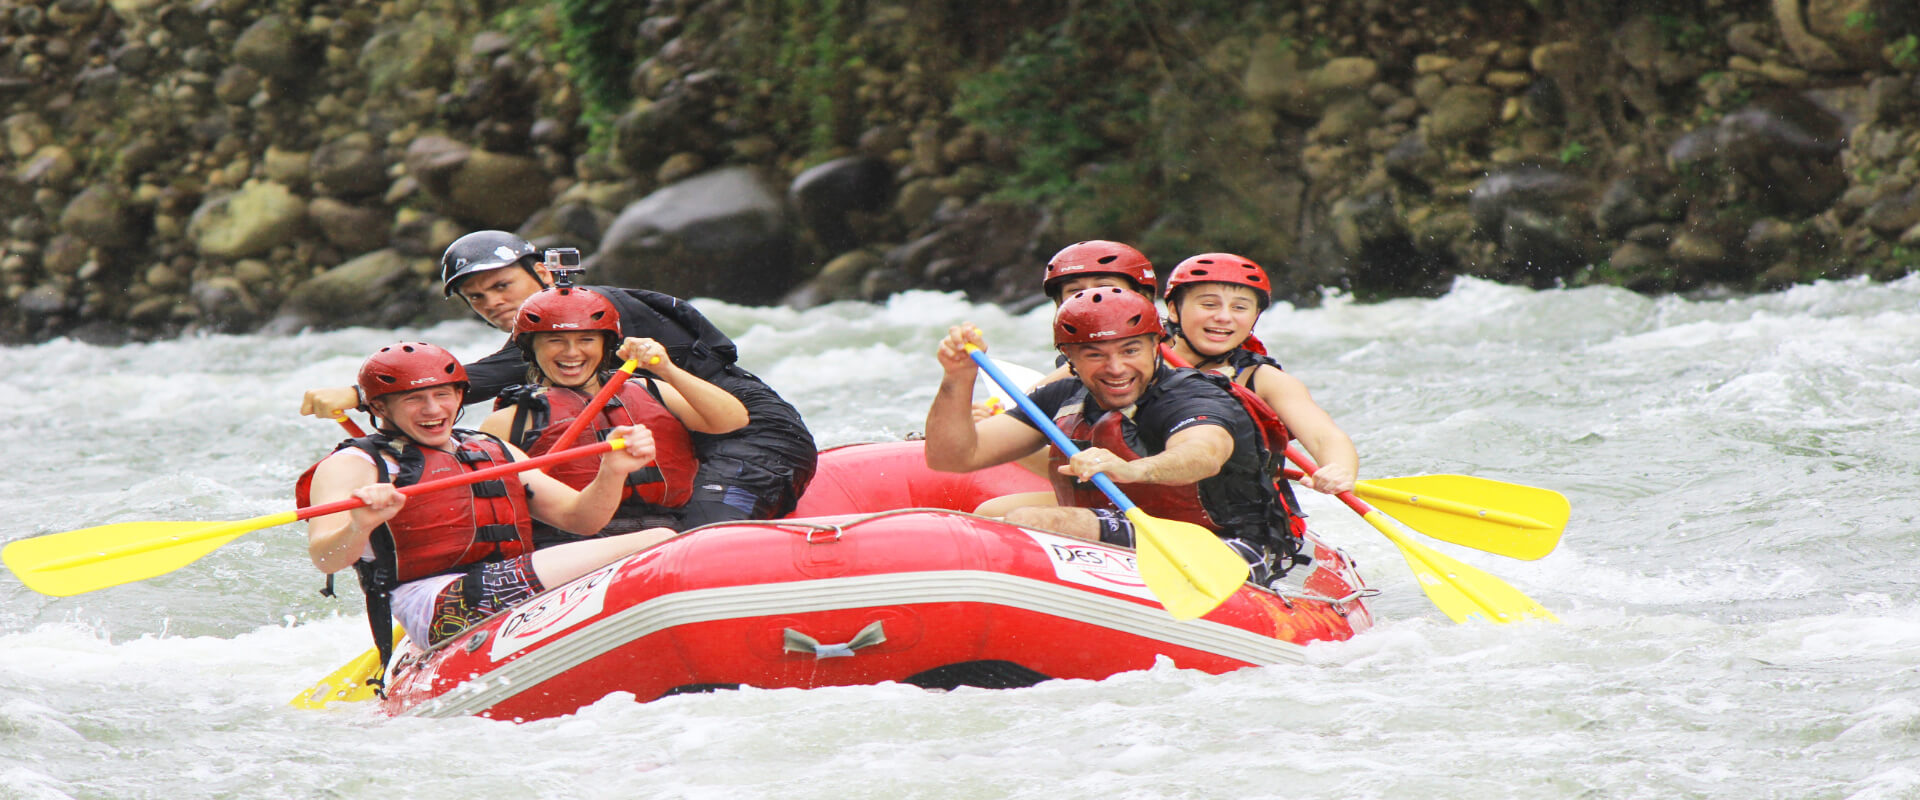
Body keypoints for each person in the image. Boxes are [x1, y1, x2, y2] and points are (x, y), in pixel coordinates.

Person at [301, 230, 817, 527]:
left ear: (544, 275)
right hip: (683, 435)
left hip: (753, 435)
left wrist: (362, 393)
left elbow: (491, 373)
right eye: (476, 297)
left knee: (699, 534)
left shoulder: (589, 309)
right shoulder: (537, 347)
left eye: (503, 285)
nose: (492, 303)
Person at [299, 342, 675, 685]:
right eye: (414, 399)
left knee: (657, 542)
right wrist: (359, 524)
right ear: (379, 408)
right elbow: (325, 557)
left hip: (504, 582)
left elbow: (582, 520)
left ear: (460, 395)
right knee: (660, 541)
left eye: (443, 395)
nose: (433, 410)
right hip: (435, 605)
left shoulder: (491, 449)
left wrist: (612, 470)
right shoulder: (354, 463)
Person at [924, 287, 1300, 584]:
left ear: (1157, 347)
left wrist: (1135, 470)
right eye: (1095, 355)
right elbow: (952, 457)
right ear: (1070, 357)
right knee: (993, 520)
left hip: (1227, 543)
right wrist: (957, 378)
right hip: (1137, 536)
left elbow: (1203, 452)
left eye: (1130, 349)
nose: (1116, 368)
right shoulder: (1063, 395)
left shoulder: (1192, 394)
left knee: (1041, 522)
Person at [477, 281, 748, 542]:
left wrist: (666, 368)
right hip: (570, 543)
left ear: (605, 345)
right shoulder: (508, 422)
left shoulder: (651, 389)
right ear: (530, 349)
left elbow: (732, 420)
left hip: (669, 529)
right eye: (555, 340)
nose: (572, 352)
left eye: (586, 339)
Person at [1162, 253, 1358, 497]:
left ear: (1255, 317)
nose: (1224, 316)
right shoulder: (1137, 366)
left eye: (1240, 307)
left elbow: (1324, 437)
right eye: (1209, 304)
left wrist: (1339, 470)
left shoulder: (1264, 379)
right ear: (1173, 310)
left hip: (1243, 515)